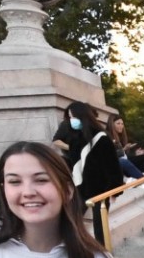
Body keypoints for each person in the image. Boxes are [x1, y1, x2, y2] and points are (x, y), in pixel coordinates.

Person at [52, 102, 125, 244]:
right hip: (81, 188)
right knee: (70, 220)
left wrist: (114, 191)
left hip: (101, 189)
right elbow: (74, 164)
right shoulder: (75, 140)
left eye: (72, 116)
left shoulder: (102, 137)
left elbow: (112, 166)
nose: (71, 120)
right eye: (69, 117)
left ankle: (104, 255)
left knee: (100, 226)